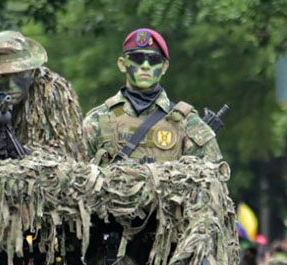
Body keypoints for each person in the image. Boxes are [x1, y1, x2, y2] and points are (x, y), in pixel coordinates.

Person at [82, 28, 229, 177]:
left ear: (164, 67)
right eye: (138, 59)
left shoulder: (187, 122)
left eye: (153, 60)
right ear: (122, 64)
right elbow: (75, 182)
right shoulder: (97, 121)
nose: (145, 66)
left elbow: (212, 183)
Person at [0, 30, 86, 160]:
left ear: (32, 72)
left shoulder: (52, 91)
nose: (10, 86)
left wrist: (29, 154)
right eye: (0, 77)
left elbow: (68, 154)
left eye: (19, 75)